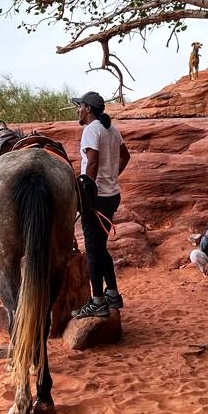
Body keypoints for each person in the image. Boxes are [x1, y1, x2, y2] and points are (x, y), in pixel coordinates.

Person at [70, 91, 130, 319]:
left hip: (98, 198)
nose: (78, 110)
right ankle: (112, 294)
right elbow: (125, 156)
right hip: (111, 195)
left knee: (93, 250)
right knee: (100, 247)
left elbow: (92, 162)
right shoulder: (111, 130)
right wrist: (112, 176)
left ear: (88, 109)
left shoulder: (91, 130)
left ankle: (97, 302)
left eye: (80, 106)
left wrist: (88, 192)